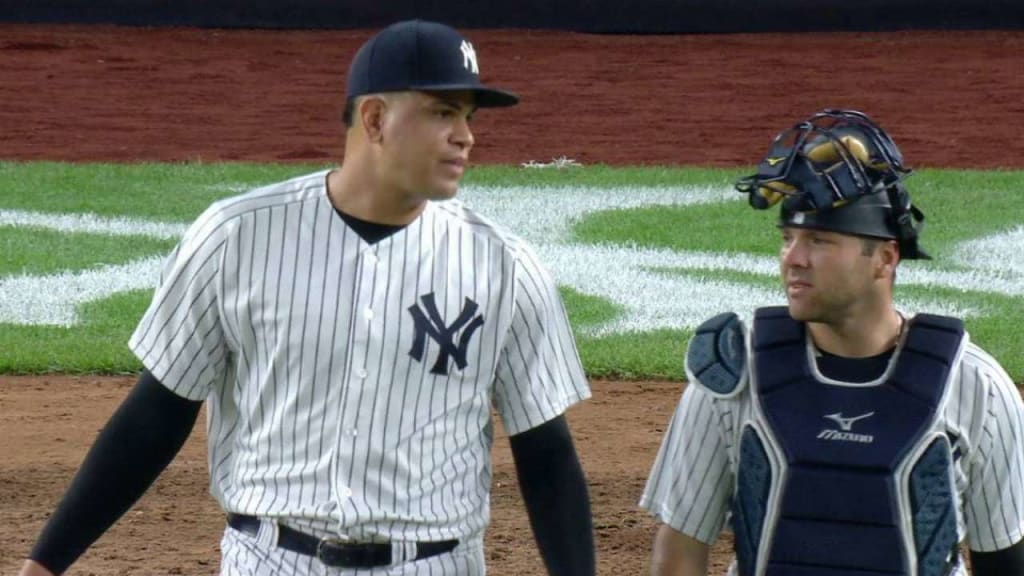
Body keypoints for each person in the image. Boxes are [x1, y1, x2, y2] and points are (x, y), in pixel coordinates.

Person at [19, 19, 595, 576]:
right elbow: (156, 416)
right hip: (268, 559)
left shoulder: (504, 266)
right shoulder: (236, 237)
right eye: (443, 112)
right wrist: (44, 564)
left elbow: (546, 455)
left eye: (467, 116)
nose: (465, 135)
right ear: (374, 119)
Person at [640, 109, 1024, 576]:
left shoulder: (975, 386)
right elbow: (680, 551)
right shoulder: (734, 375)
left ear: (884, 258)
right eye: (787, 237)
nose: (793, 259)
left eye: (820, 241)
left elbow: (1004, 561)